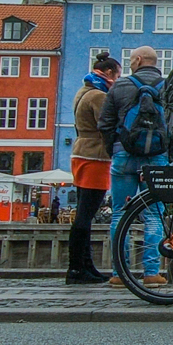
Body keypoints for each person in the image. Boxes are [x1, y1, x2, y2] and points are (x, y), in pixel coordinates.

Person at [98, 46, 169, 288]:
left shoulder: (120, 86)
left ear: (138, 60)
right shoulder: (166, 87)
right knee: (154, 215)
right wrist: (167, 152)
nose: (129, 65)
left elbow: (105, 123)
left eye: (130, 61)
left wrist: (115, 149)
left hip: (124, 156)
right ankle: (151, 273)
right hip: (157, 158)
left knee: (120, 212)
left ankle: (120, 273)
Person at [67, 51, 121, 284]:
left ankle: (84, 267)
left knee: (83, 213)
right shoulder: (99, 96)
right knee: (86, 216)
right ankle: (78, 268)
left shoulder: (83, 91)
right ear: (109, 73)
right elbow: (106, 126)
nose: (117, 80)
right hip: (95, 157)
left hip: (80, 153)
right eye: (117, 76)